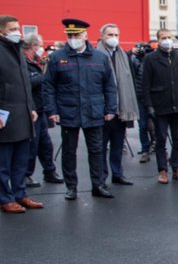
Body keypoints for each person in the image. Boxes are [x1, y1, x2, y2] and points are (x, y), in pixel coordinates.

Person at [43, 18, 117, 200]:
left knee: (97, 150)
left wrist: (110, 109)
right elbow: (48, 87)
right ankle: (71, 187)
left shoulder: (100, 58)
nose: (73, 38)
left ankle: (98, 185)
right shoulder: (56, 58)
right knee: (69, 151)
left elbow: (109, 86)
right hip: (69, 111)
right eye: (70, 35)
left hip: (94, 111)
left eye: (76, 34)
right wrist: (52, 111)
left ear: (85, 35)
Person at [0, 15, 42, 213]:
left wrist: (31, 107)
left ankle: (20, 194)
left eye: (18, 28)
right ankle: (5, 198)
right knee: (4, 162)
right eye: (13, 29)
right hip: (5, 116)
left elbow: (25, 84)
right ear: (2, 31)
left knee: (21, 160)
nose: (18, 32)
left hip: (23, 113)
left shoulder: (17, 51)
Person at [141, 29, 178, 184]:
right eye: (164, 38)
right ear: (158, 40)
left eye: (169, 37)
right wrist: (148, 105)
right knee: (161, 139)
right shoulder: (150, 58)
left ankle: (176, 168)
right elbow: (145, 84)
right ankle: (162, 170)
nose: (167, 40)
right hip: (160, 105)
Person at [96, 23, 139, 186]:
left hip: (121, 108)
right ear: (101, 36)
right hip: (103, 108)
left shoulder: (123, 55)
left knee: (117, 144)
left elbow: (130, 80)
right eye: (109, 35)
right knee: (100, 146)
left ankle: (117, 173)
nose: (113, 38)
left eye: (116, 35)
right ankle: (100, 177)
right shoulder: (95, 55)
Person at [22, 34, 62, 187]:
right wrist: (43, 75)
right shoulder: (23, 61)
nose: (41, 49)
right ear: (33, 46)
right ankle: (26, 175)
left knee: (45, 144)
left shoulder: (36, 62)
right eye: (39, 45)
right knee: (32, 145)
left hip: (41, 108)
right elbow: (27, 82)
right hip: (31, 108)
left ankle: (49, 171)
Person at [130, 43, 156, 163]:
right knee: (143, 126)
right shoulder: (137, 62)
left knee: (159, 126)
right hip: (140, 98)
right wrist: (133, 54)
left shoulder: (156, 61)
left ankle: (160, 147)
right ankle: (145, 150)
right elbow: (130, 72)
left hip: (156, 98)